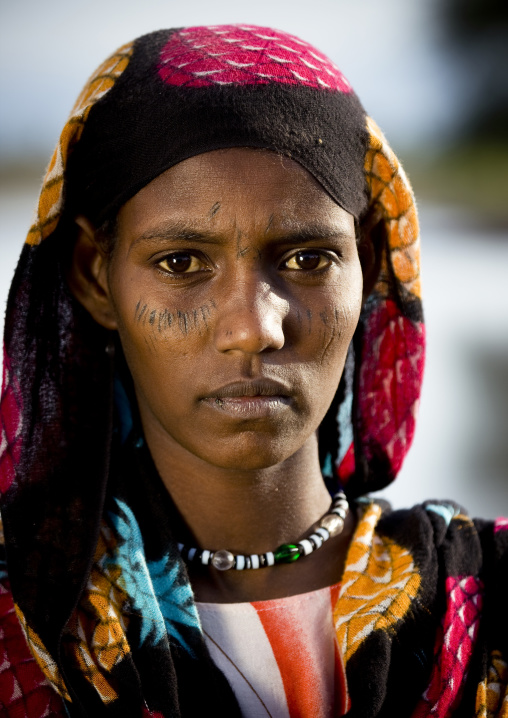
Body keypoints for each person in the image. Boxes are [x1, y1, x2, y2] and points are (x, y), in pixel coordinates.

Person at [0, 24, 506, 718]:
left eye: (308, 259)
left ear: (369, 265)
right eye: (182, 262)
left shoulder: (487, 605)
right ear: (95, 277)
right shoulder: (26, 625)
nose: (256, 327)